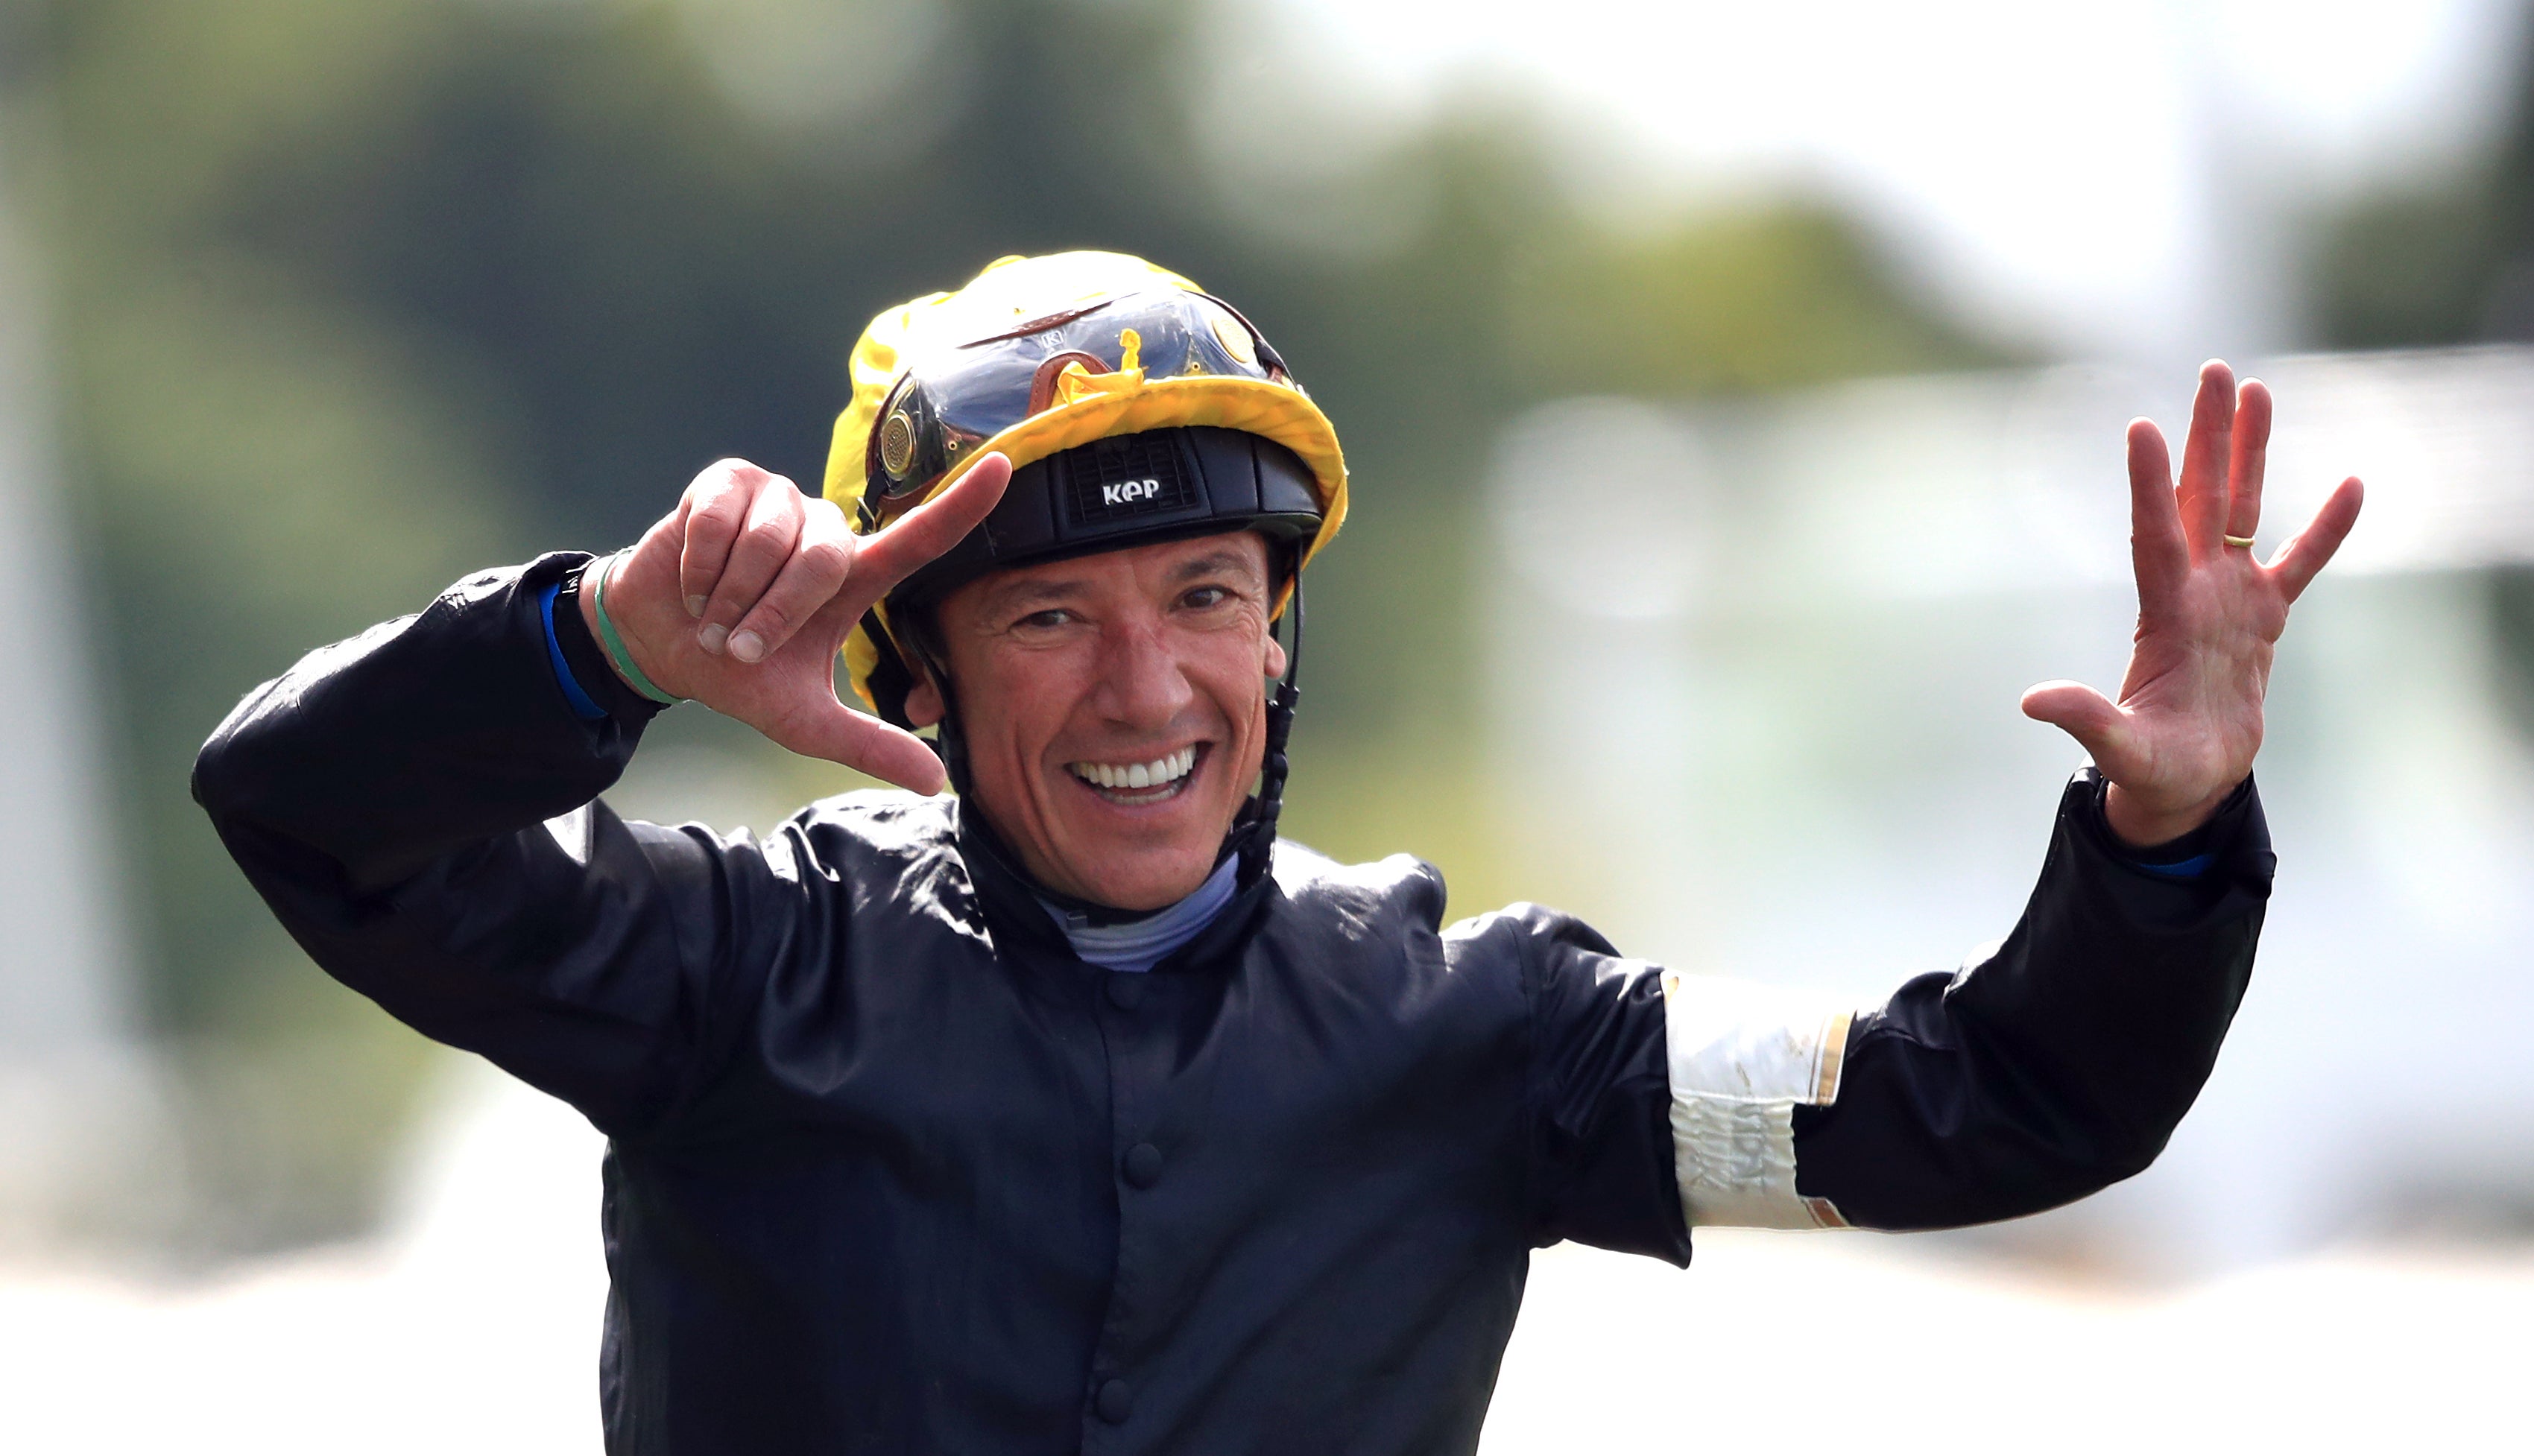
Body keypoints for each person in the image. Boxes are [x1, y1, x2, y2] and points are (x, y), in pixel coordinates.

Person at [194, 251, 2363, 1455]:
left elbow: (1983, 1101)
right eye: (1051, 616)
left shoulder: (1488, 1028)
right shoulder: (736, 967)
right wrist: (590, 640)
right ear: (913, 676)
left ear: (1282, 632)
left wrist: (2161, 837)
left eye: (1210, 599)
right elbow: (302, 803)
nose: (1149, 689)